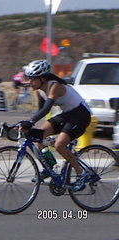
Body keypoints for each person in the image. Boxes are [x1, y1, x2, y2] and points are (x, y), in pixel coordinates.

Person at [20, 59, 91, 192]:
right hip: (66, 114)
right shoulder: (39, 90)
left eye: (32, 79)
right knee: (38, 136)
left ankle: (81, 173)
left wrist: (30, 122)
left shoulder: (55, 86)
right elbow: (40, 112)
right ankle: (50, 168)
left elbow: (46, 109)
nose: (29, 82)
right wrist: (28, 123)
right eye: (29, 78)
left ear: (42, 78)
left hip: (80, 115)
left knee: (59, 145)